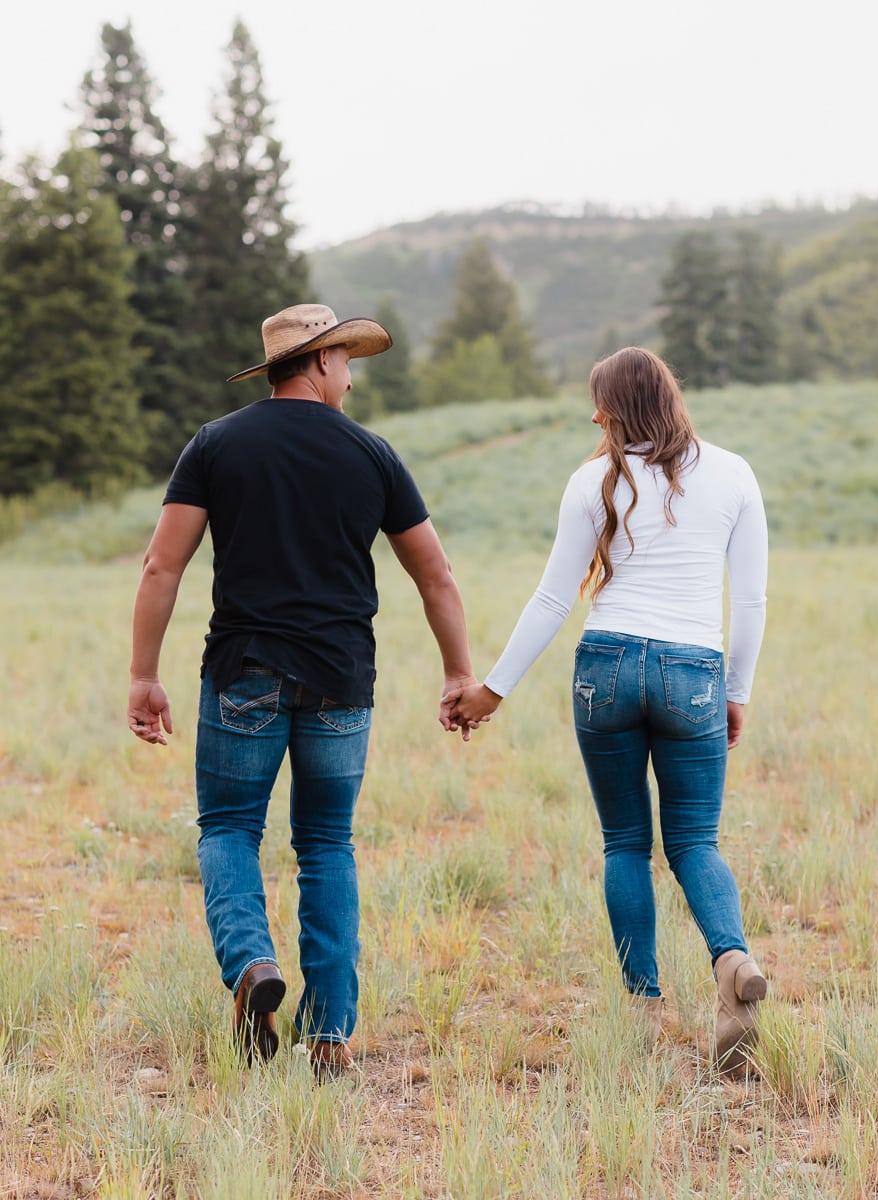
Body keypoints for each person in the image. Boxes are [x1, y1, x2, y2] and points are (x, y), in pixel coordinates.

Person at [128, 303, 479, 1081]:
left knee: (227, 829)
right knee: (326, 845)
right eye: (346, 362)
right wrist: (458, 671)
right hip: (342, 679)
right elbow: (435, 574)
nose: (351, 378)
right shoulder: (372, 454)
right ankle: (330, 1038)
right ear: (318, 364)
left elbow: (161, 566)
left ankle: (252, 965)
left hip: (243, 671)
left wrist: (144, 675)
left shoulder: (216, 444)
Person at [446, 346, 768, 1069]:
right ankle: (731, 964)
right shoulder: (734, 474)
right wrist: (735, 692)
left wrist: (491, 690)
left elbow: (554, 598)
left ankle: (644, 1005)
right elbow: (749, 603)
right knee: (695, 843)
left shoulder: (592, 479)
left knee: (626, 842)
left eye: (596, 403)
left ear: (611, 410)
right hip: (694, 671)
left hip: (608, 665)